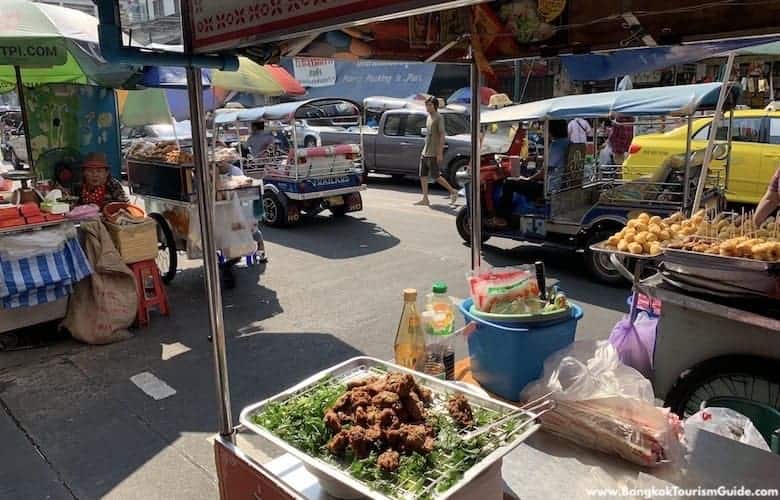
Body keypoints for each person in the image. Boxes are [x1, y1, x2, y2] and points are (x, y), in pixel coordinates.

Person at [492, 120, 569, 226]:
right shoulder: (568, 142)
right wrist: (534, 159)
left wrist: (529, 179)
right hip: (562, 183)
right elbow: (554, 162)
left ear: (551, 131)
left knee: (509, 183)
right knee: (525, 178)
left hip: (550, 187)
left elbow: (544, 172)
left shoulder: (556, 145)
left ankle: (501, 217)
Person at [415, 96, 458, 206]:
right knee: (422, 175)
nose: (427, 107)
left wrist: (439, 152)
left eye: (430, 105)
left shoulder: (439, 117)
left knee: (436, 176)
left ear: (435, 106)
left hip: (433, 152)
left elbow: (442, 134)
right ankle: (425, 198)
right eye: (426, 105)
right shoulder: (428, 117)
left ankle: (453, 191)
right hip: (425, 150)